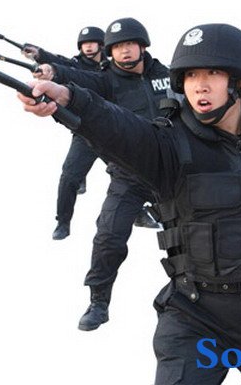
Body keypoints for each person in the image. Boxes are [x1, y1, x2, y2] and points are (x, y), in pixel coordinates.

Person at [17, 23, 241, 384]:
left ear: (239, 81)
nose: (199, 85)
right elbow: (118, 126)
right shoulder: (169, 144)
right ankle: (98, 296)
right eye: (191, 75)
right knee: (110, 234)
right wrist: (68, 98)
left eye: (213, 73)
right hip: (196, 314)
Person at [35, 17, 170, 330]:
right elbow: (77, 80)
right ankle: (98, 301)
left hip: (173, 167)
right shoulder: (105, 81)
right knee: (108, 237)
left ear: (142, 46)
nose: (124, 51)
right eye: (118, 47)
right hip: (129, 173)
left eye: (130, 44)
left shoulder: (165, 74)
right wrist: (53, 75)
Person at [22, 27, 109, 240]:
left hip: (115, 128)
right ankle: (63, 222)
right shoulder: (76, 65)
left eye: (92, 42)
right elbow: (60, 65)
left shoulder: (112, 66)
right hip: (87, 130)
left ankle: (142, 212)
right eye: (84, 43)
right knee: (69, 176)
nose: (88, 46)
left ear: (102, 45)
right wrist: (40, 56)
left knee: (134, 173)